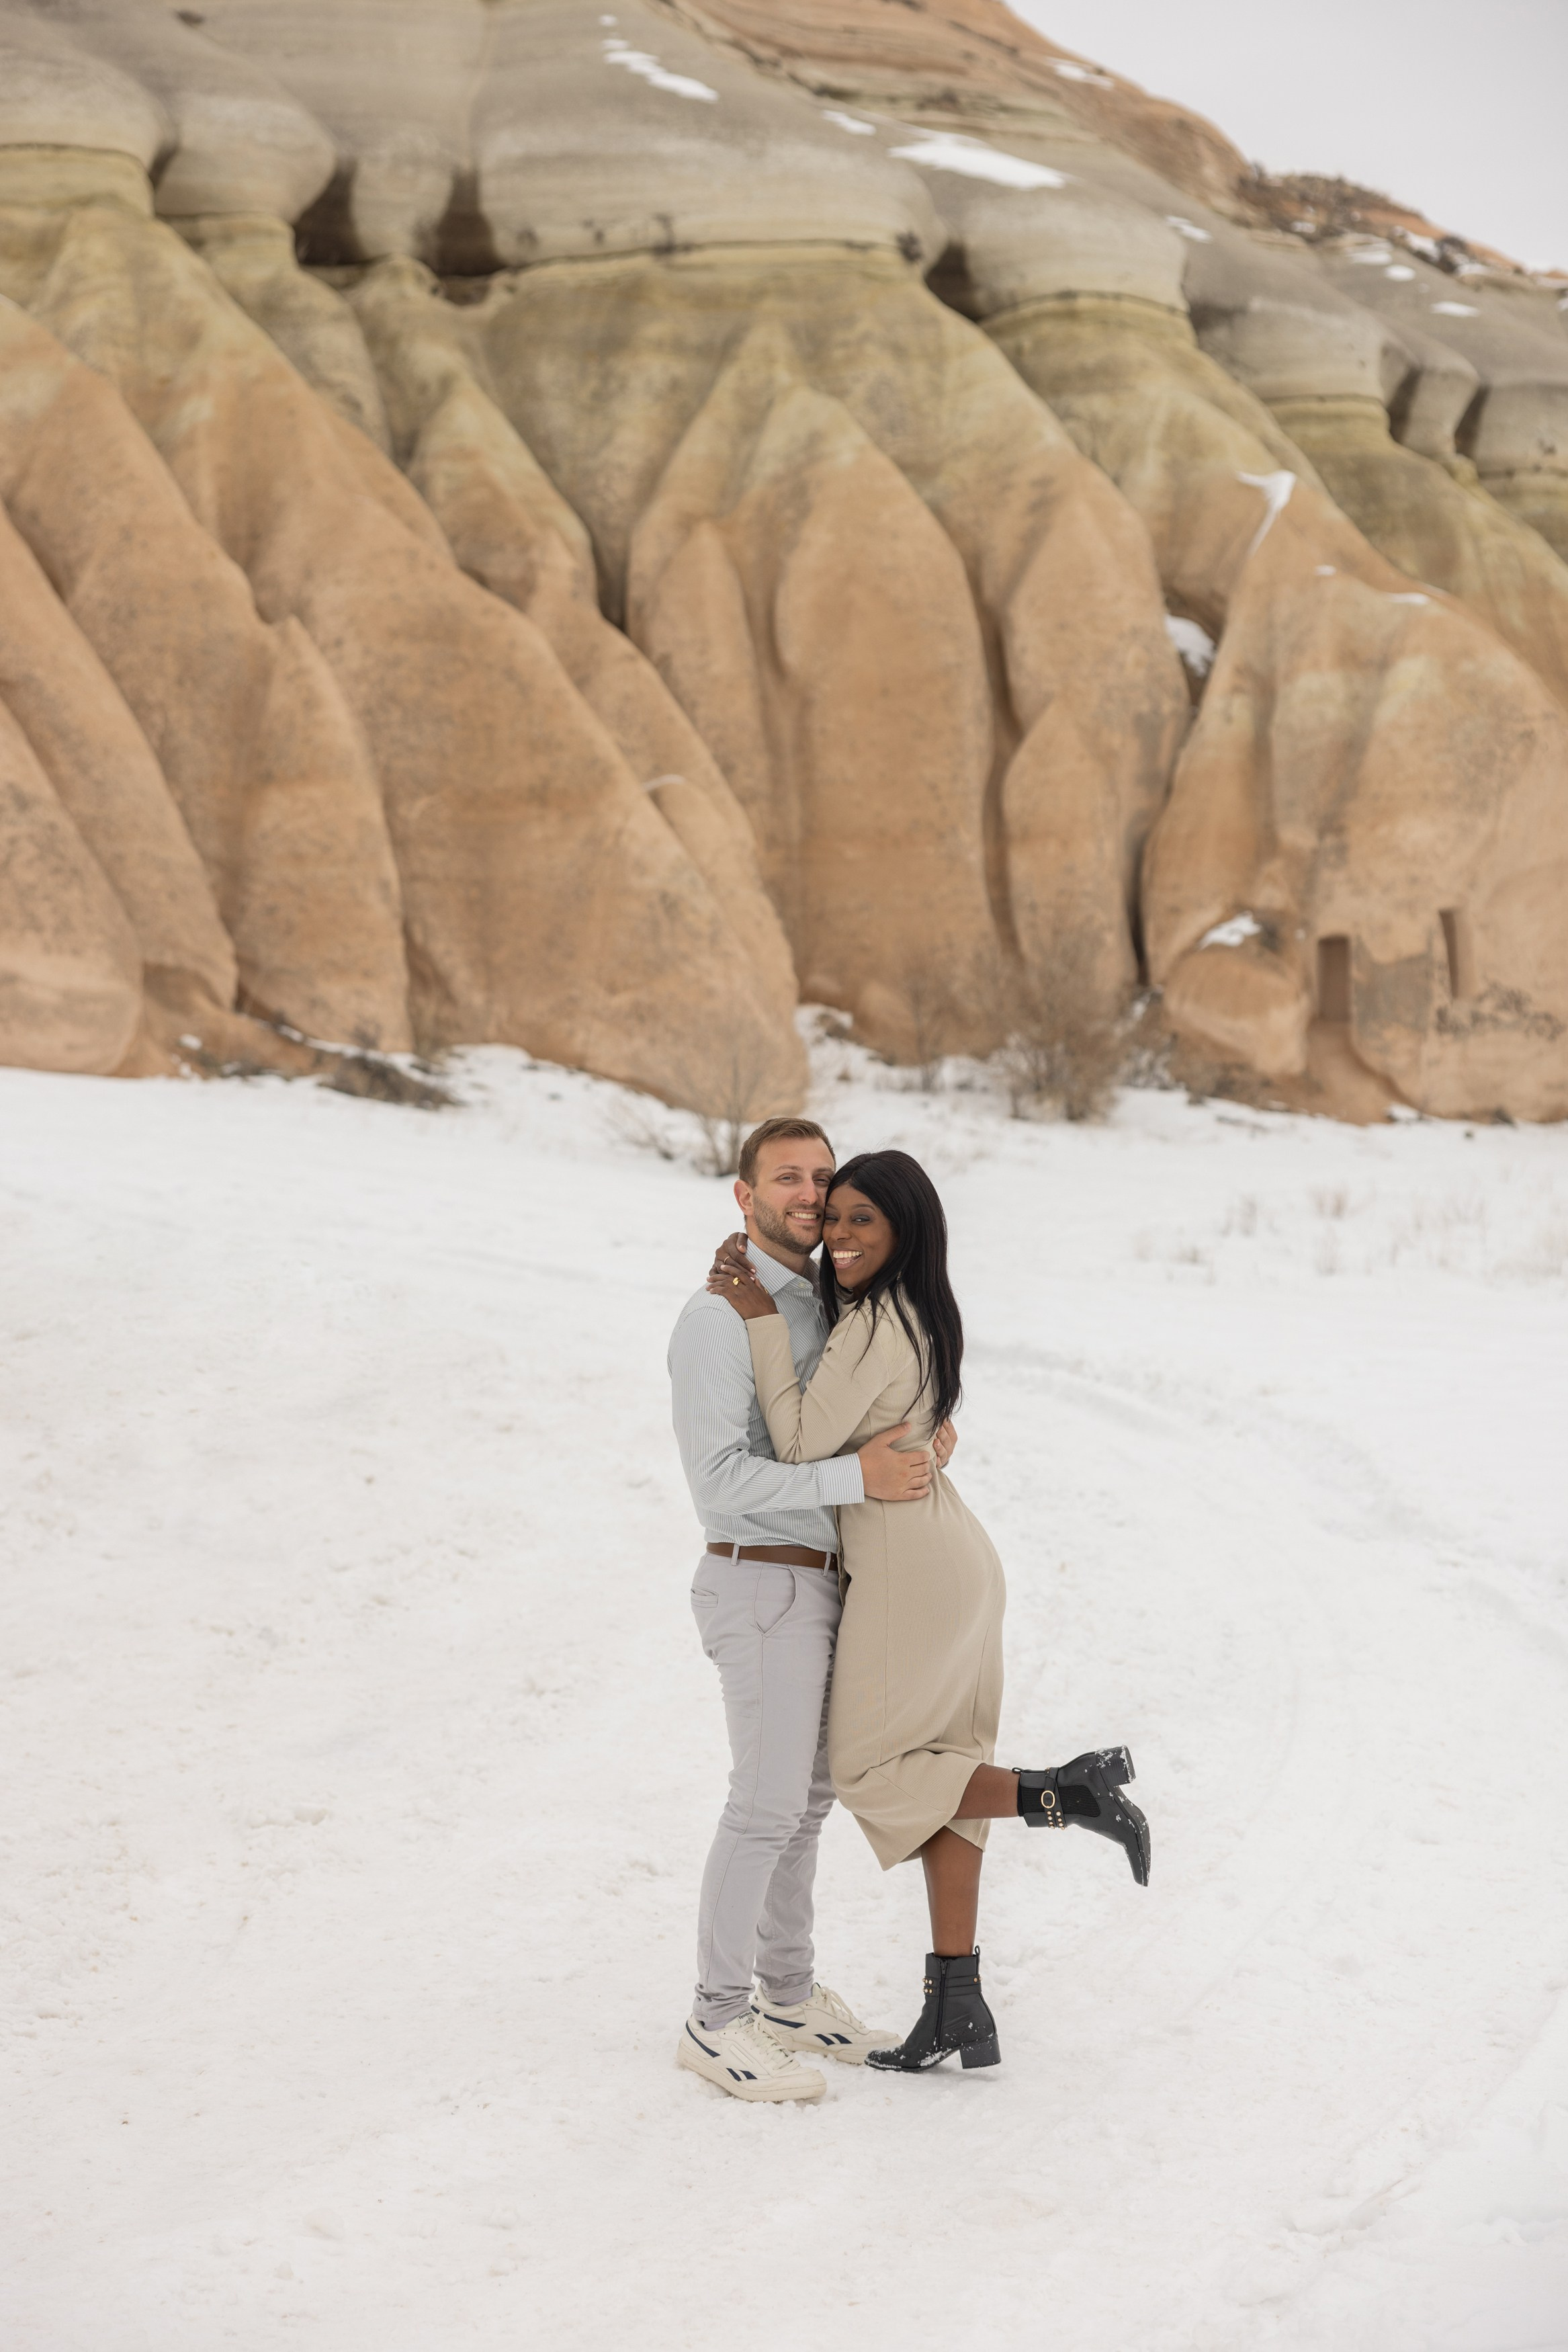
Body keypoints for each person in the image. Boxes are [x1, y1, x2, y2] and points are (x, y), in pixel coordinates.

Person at [708, 1147, 1149, 2075]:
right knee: (946, 1774)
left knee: (870, 1772)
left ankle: (1060, 1793)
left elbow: (793, 1440)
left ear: (904, 1228)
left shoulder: (873, 1321)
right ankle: (956, 2002)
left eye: (861, 1219)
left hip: (910, 1563)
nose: (839, 1235)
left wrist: (752, 1316)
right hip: (951, 1553)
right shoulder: (913, 1312)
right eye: (833, 1220)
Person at [667, 1118, 957, 2104]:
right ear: (742, 1197)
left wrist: (924, 1434)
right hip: (759, 1578)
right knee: (764, 1804)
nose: (808, 1193)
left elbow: (865, 1406)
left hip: (828, 1581)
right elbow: (718, 1479)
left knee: (810, 1801)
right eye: (786, 1177)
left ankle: (785, 1995)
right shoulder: (716, 1320)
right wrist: (856, 1476)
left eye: (821, 1177)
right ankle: (715, 2019)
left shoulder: (831, 1306)